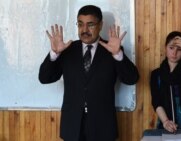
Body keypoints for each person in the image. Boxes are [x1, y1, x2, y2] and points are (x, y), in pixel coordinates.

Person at [38, 5, 139, 141]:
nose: (84, 30)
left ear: (100, 25)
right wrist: (54, 54)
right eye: (80, 24)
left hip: (103, 128)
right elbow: (44, 78)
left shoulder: (112, 49)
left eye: (90, 25)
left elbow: (131, 78)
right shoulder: (67, 50)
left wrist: (117, 54)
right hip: (72, 127)